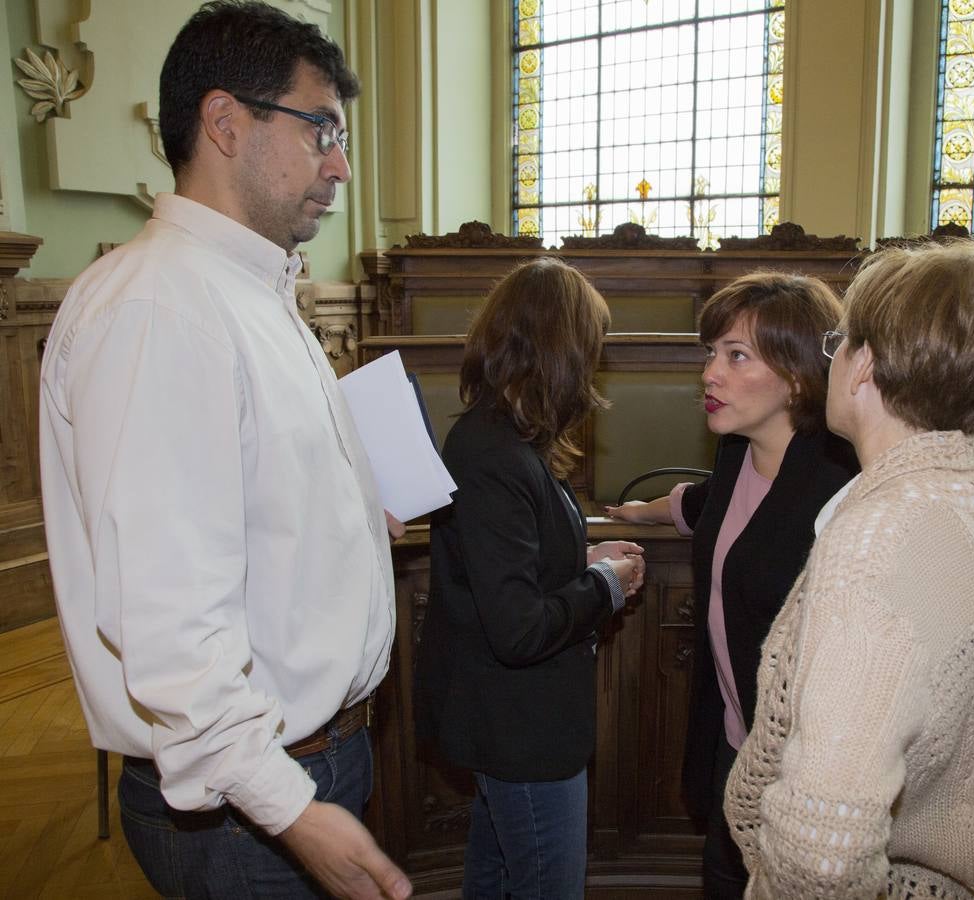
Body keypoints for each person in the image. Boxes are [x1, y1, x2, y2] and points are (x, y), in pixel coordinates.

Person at [38, 3, 411, 898]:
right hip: (247, 804)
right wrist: (289, 807)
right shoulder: (161, 307)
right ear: (224, 121)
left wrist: (352, 529)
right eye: (320, 127)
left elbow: (243, 511)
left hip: (301, 763)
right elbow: (167, 618)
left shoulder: (250, 289)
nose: (342, 166)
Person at [724, 239, 974, 899]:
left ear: (864, 364)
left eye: (840, 344)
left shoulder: (873, 538)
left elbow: (819, 855)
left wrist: (947, 797)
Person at [604, 271, 857, 898]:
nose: (709, 373)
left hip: (806, 769)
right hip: (732, 739)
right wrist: (637, 512)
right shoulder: (738, 454)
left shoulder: (841, 487)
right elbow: (708, 505)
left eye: (736, 355)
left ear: (798, 374)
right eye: (710, 353)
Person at [413, 257, 646, 900]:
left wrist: (587, 560)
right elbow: (517, 627)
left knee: (493, 878)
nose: (593, 367)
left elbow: (520, 566)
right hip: (519, 731)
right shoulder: (491, 452)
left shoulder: (512, 439)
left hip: (519, 724)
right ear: (558, 351)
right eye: (589, 348)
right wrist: (604, 587)